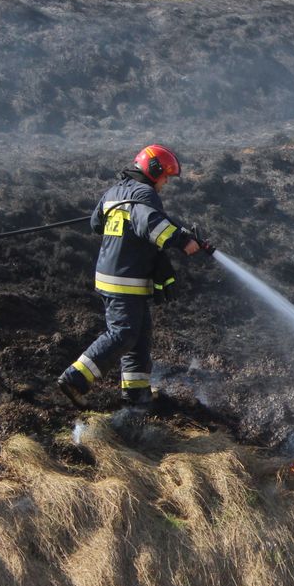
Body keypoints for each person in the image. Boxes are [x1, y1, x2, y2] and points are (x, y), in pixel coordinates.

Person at [57, 144, 213, 409]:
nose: (165, 182)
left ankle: (136, 393)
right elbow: (151, 225)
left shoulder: (114, 192)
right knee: (123, 334)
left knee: (139, 336)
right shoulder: (144, 194)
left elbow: (96, 224)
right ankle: (75, 378)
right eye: (165, 176)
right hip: (124, 279)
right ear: (153, 171)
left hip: (118, 276)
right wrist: (181, 241)